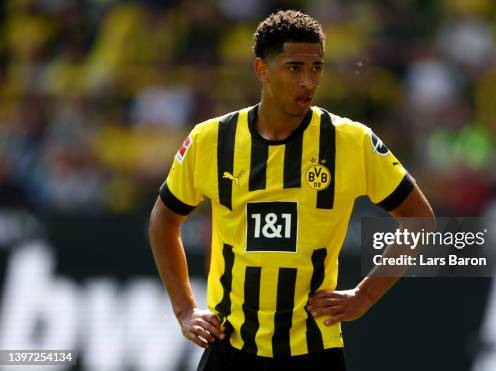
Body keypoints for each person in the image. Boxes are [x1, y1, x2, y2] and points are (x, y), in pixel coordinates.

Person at [148, 9, 434, 371]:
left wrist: (364, 296)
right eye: (295, 68)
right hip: (230, 347)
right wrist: (185, 309)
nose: (308, 82)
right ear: (262, 70)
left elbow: (419, 219)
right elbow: (164, 220)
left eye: (317, 68)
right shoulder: (211, 140)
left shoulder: (350, 141)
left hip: (313, 351)